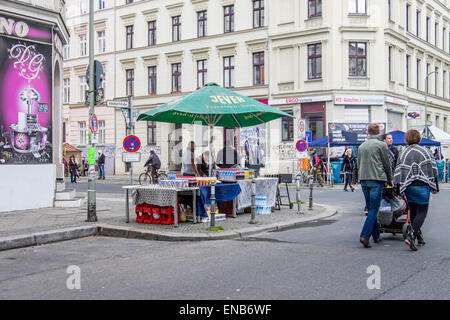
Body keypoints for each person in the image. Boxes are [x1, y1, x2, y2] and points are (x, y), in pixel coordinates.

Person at [394, 129, 439, 251]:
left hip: (408, 186)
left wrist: (399, 190)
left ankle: (419, 237)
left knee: (413, 211)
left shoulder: (403, 153)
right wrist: (435, 186)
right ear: (419, 138)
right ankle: (411, 235)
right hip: (422, 185)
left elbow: (399, 172)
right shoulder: (426, 151)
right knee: (422, 212)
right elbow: (433, 169)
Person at [358, 123, 393, 248]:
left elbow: (358, 164)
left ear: (368, 132)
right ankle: (365, 235)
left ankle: (376, 236)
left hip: (363, 179)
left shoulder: (361, 146)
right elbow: (386, 163)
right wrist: (390, 179)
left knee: (370, 207)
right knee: (374, 208)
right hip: (376, 179)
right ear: (378, 132)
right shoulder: (381, 145)